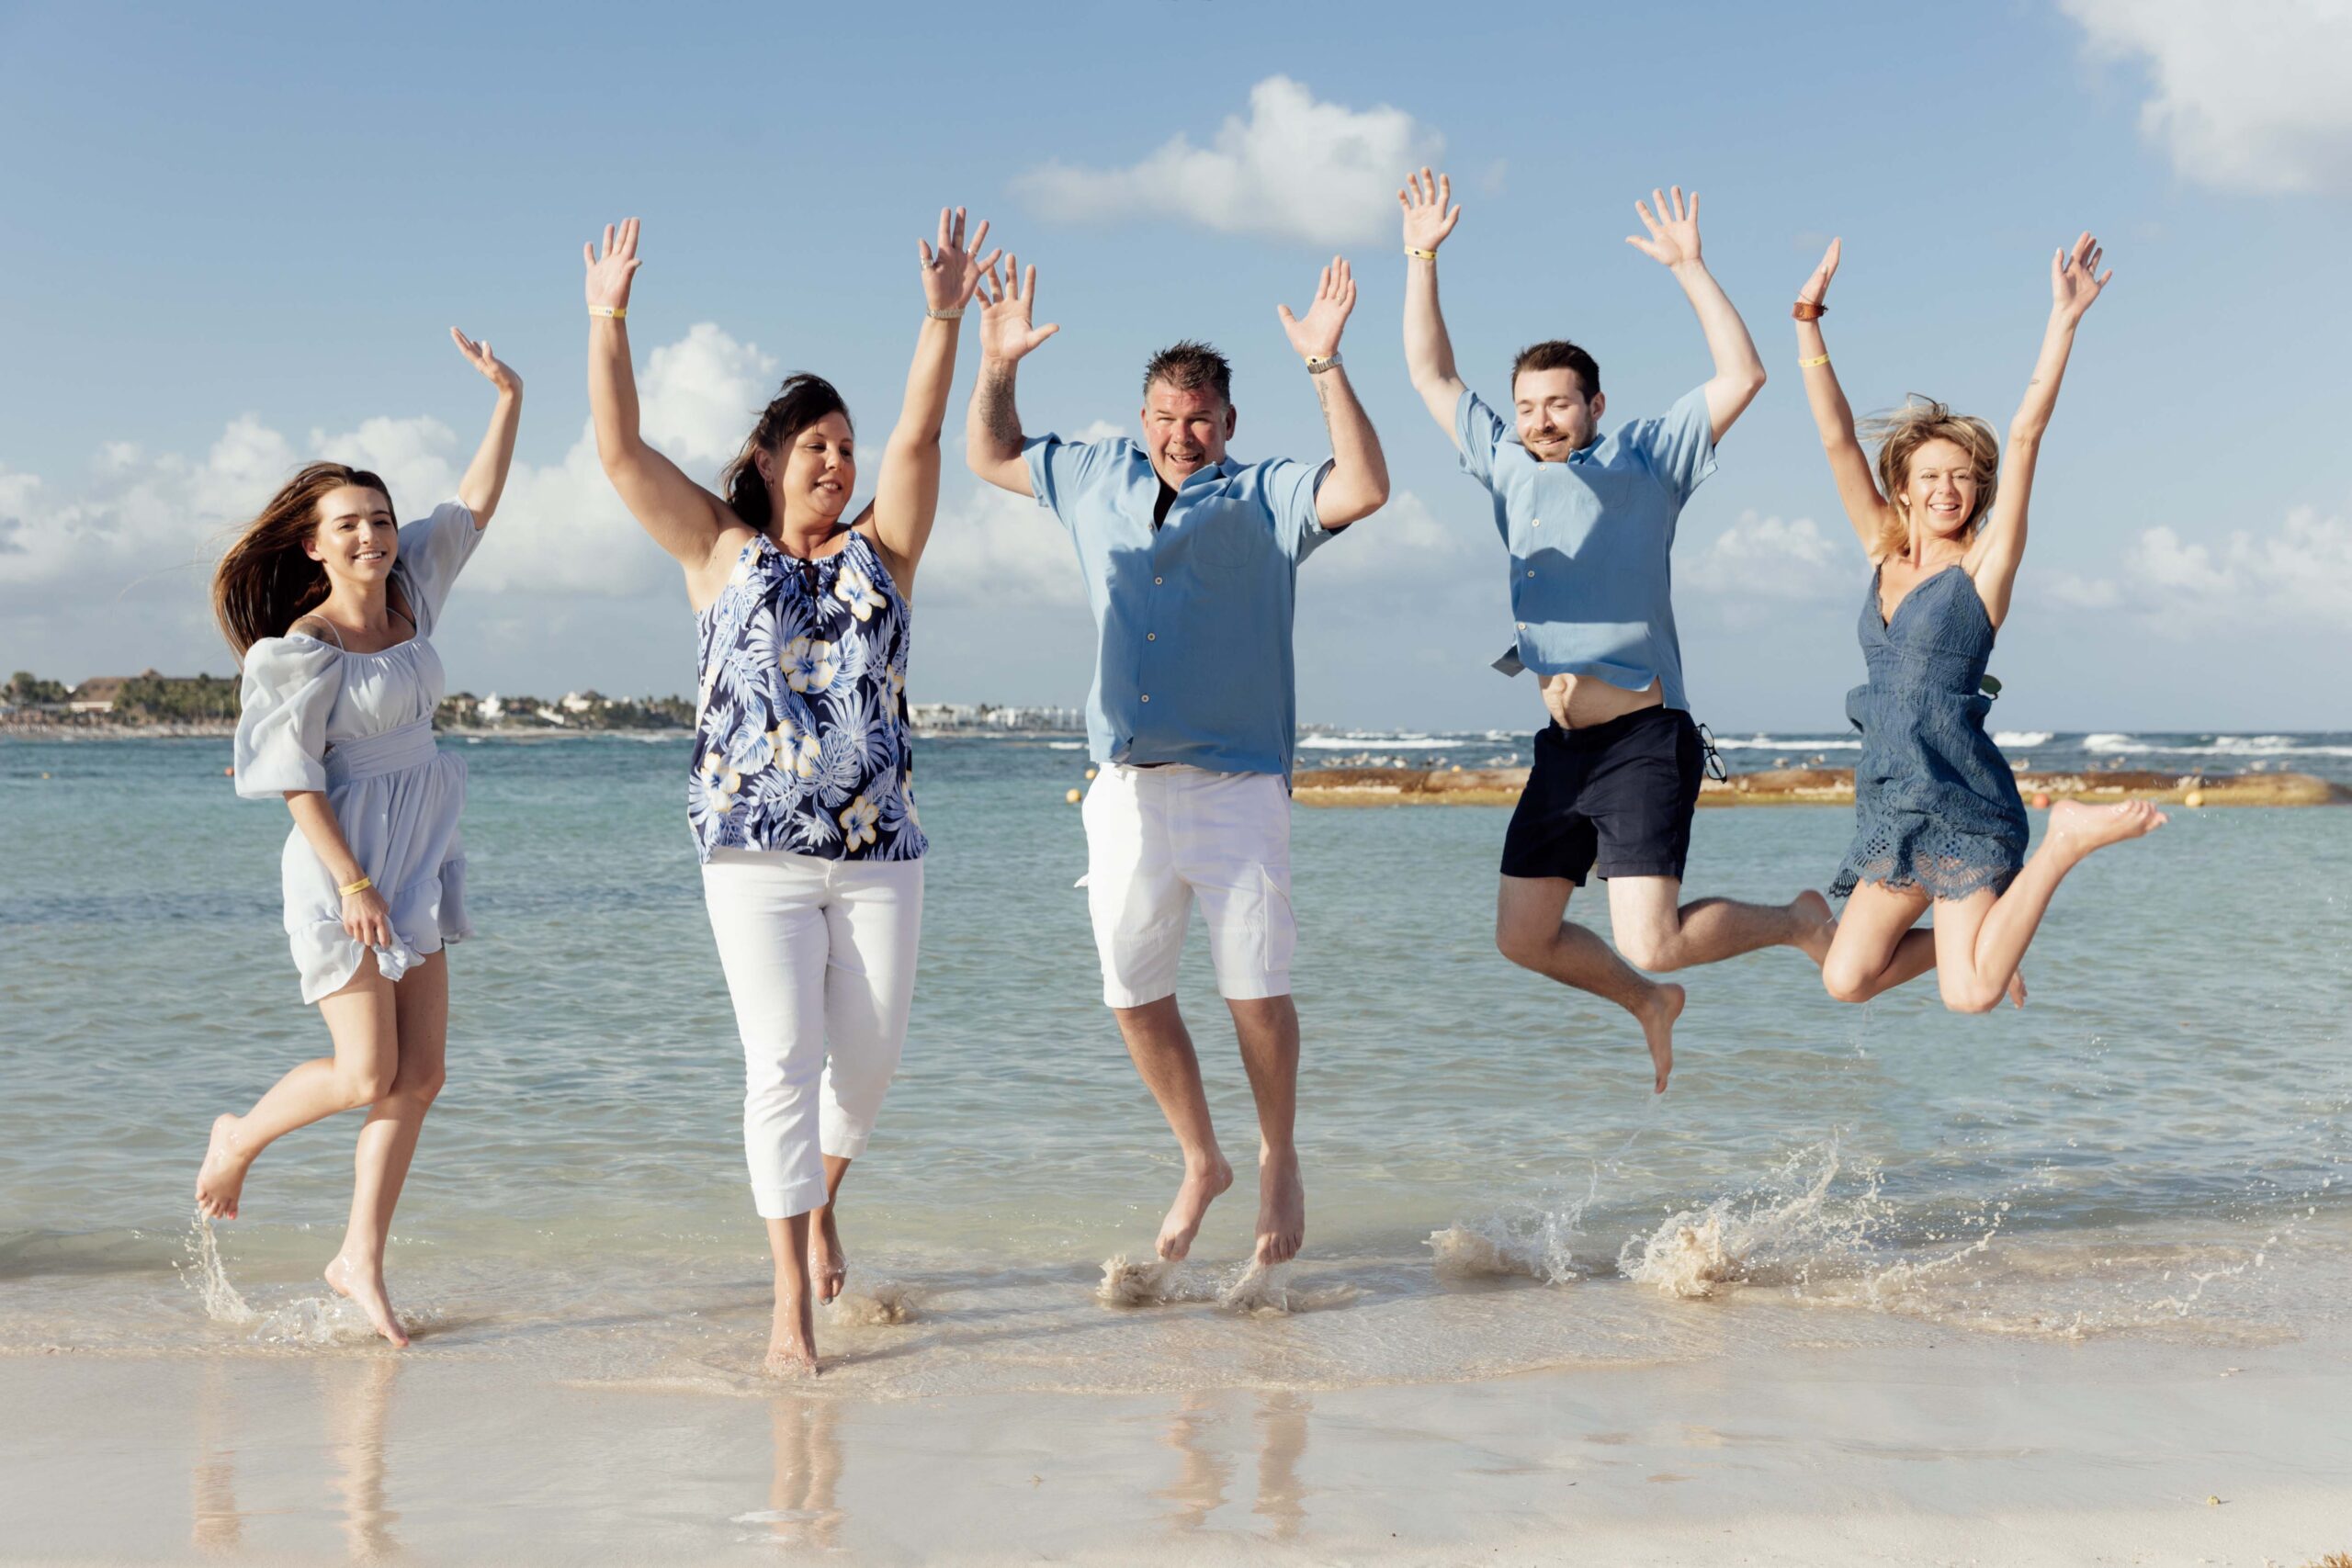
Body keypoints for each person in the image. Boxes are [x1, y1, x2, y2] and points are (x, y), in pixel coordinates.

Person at [583, 209, 994, 1374]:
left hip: (880, 851)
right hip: (754, 852)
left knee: (862, 1076)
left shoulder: (886, 555)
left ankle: (821, 1202)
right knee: (780, 1062)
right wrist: (607, 318)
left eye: (842, 447)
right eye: (812, 443)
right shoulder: (718, 554)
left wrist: (942, 317)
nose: (835, 459)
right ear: (766, 463)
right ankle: (786, 1311)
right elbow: (618, 452)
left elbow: (920, 436)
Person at [964, 253, 1390, 1268]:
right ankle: (1201, 1159)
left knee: (1255, 991)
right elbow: (987, 455)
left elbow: (1365, 486)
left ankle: (1277, 1155)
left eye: (1199, 418)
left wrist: (1326, 366)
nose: (1179, 435)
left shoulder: (1270, 497)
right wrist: (997, 364)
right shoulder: (1095, 474)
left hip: (1238, 783)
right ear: (1141, 414)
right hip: (1123, 787)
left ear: (1229, 423)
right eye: (1163, 415)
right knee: (1129, 988)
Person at [1398, 171, 1831, 1094]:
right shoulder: (1505, 466)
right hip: (1562, 748)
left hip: (1640, 737)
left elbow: (1741, 375)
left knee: (1656, 937)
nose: (1539, 419)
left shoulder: (1649, 458)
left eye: (1557, 402)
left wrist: (1689, 268)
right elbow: (1431, 376)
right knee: (1523, 939)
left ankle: (1796, 920)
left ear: (1594, 404)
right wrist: (1421, 258)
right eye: (1525, 406)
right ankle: (1645, 1003)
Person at [196, 329, 522, 1348]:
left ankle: (358, 1261)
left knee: (423, 1076)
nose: (372, 535)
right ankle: (238, 1138)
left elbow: (473, 505)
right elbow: (292, 778)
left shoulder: (415, 594)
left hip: (421, 845)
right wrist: (354, 882)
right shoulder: (301, 651)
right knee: (363, 1074)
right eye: (349, 525)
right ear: (311, 543)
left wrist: (508, 397)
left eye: (380, 519)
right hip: (347, 865)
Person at [1794, 233, 2164, 1010]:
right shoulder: (1880, 547)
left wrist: (2063, 320)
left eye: (1963, 478)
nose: (1947, 489)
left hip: (1963, 800)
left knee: (1971, 996)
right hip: (1893, 801)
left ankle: (2060, 843)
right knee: (1846, 976)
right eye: (1930, 475)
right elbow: (1835, 438)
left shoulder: (1984, 567)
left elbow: (2026, 434)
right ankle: (2001, 931)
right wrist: (1806, 321)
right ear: (1902, 486)